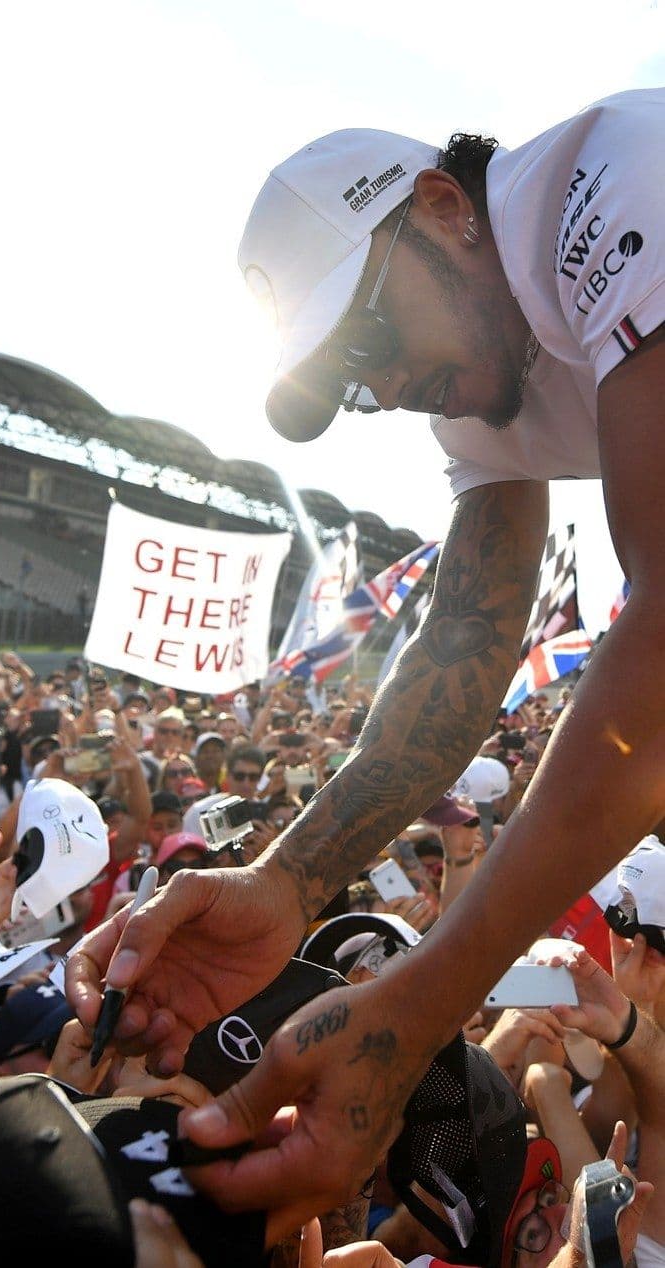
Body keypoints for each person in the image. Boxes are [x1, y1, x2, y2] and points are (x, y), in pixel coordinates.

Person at [68, 88, 665, 1223]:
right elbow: (458, 650)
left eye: (370, 338)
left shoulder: (625, 180)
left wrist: (419, 1002)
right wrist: (289, 876)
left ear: (441, 206)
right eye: (347, 379)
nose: (381, 390)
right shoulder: (476, 382)